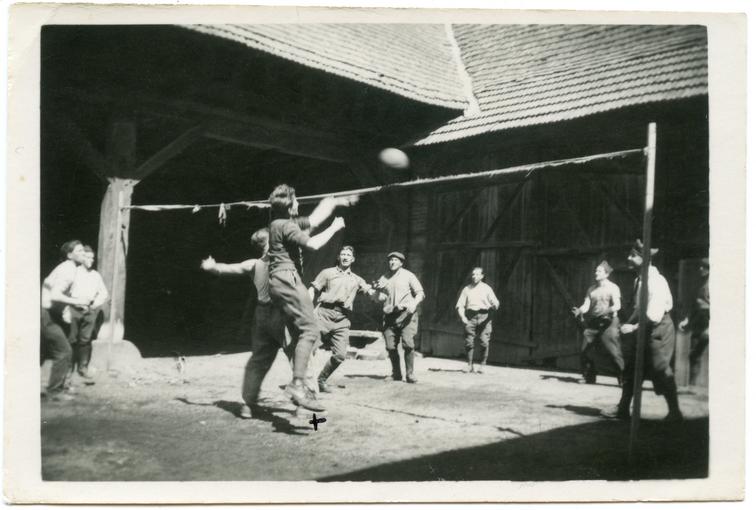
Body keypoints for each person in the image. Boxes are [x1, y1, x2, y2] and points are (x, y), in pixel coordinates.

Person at [267, 184, 358, 411]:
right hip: (288, 279)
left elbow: (314, 219)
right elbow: (314, 243)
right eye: (295, 200)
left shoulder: (280, 223)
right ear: (289, 205)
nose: (298, 203)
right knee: (311, 331)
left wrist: (334, 201)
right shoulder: (286, 226)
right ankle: (298, 385)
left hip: (279, 281)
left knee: (300, 337)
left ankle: (302, 387)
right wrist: (335, 228)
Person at [201, 228, 287, 420]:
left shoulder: (252, 264)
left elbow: (229, 268)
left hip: (261, 314)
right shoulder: (282, 260)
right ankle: (304, 404)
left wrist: (212, 266)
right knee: (301, 355)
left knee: (258, 359)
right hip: (283, 313)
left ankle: (249, 405)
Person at [603, 239, 683, 422]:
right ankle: (622, 409)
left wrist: (634, 327)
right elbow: (640, 309)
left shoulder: (655, 281)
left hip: (658, 328)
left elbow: (654, 314)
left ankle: (675, 412)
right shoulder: (639, 280)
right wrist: (627, 323)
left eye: (633, 255)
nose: (628, 258)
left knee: (660, 369)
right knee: (631, 369)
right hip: (646, 325)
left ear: (645, 259)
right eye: (630, 254)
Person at [309, 245, 375, 392]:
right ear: (339, 257)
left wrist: (376, 293)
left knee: (340, 355)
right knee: (309, 349)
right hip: (323, 314)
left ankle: (321, 380)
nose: (345, 257)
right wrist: (307, 303)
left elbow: (369, 290)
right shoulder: (327, 273)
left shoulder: (357, 279)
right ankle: (301, 382)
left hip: (343, 318)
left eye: (348, 255)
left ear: (353, 259)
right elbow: (313, 289)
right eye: (343, 254)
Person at [41, 240, 90, 401]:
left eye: (84, 250)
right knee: (63, 351)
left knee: (64, 349)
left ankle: (60, 387)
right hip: (45, 313)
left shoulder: (71, 269)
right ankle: (54, 392)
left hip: (51, 313)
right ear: (70, 255)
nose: (83, 253)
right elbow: (55, 295)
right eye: (80, 251)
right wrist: (77, 301)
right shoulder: (67, 270)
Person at [374, 251, 425, 383]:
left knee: (408, 344)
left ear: (401, 263)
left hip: (406, 315)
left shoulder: (409, 276)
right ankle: (396, 374)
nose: (392, 262)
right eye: (390, 260)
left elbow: (420, 293)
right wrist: (377, 292)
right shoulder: (384, 278)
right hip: (390, 316)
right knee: (391, 347)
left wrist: (414, 304)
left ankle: (410, 374)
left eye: (395, 260)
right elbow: (378, 298)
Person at [571, 260, 623, 385]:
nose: (596, 273)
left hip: (610, 322)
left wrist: (608, 310)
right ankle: (589, 376)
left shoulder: (613, 288)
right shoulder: (591, 289)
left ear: (606, 274)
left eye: (599, 271)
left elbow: (618, 305)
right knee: (585, 350)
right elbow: (586, 305)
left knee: (614, 351)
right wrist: (579, 310)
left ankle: (623, 378)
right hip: (594, 322)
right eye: (595, 271)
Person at [66, 245, 109, 382]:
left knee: (85, 340)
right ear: (82, 257)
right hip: (74, 310)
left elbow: (104, 293)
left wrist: (94, 305)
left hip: (89, 312)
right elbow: (64, 291)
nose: (91, 260)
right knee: (71, 339)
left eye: (93, 258)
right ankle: (68, 369)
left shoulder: (95, 275)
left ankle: (83, 367)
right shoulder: (74, 272)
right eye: (88, 257)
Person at [455, 267, 499, 374]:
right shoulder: (467, 289)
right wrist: (463, 317)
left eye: (477, 274)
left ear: (482, 276)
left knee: (484, 341)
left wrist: (494, 305)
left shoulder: (487, 288)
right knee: (469, 342)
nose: (474, 277)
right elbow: (460, 305)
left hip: (485, 316)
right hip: (470, 317)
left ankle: (482, 365)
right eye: (473, 274)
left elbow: (496, 303)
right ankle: (469, 365)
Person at [679, 257, 709, 385]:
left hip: (708, 321)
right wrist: (687, 319)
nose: (701, 269)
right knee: (693, 355)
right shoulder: (699, 283)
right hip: (697, 321)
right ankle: (692, 386)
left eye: (705, 267)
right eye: (701, 266)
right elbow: (694, 305)